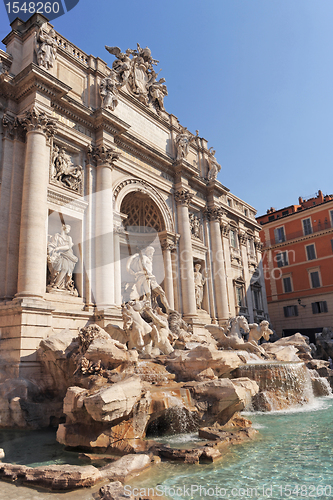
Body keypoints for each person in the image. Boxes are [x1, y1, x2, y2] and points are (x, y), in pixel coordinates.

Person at [126, 246, 170, 312]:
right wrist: (147, 273)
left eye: (152, 252)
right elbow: (143, 265)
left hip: (151, 278)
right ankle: (149, 310)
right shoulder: (144, 257)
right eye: (151, 252)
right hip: (145, 277)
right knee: (148, 294)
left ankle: (168, 308)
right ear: (147, 251)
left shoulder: (149, 259)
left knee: (161, 292)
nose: (152, 254)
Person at [47, 224, 78, 291]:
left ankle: (57, 284)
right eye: (68, 229)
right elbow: (52, 244)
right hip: (59, 254)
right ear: (63, 229)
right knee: (59, 268)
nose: (69, 231)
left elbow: (68, 247)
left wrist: (58, 248)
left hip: (67, 254)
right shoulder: (57, 236)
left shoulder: (69, 238)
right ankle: (56, 283)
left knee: (65, 268)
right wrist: (52, 250)